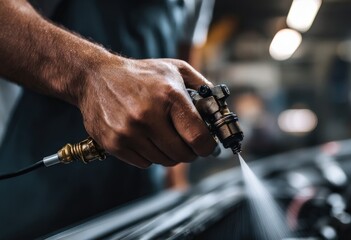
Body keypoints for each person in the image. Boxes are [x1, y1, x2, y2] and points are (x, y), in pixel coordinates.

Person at [0, 0, 216, 238]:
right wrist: (88, 75)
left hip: (143, 207)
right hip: (33, 209)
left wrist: (175, 187)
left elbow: (182, 80)